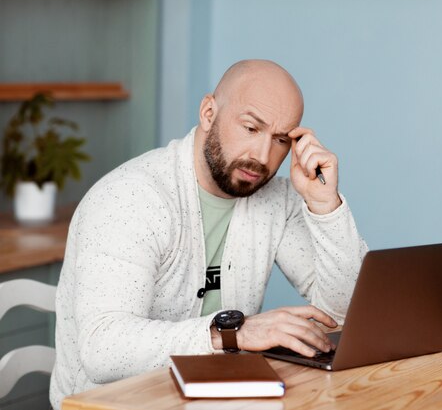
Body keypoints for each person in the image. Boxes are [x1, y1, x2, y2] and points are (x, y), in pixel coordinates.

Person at [50, 59, 368, 409]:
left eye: (279, 140)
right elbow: (103, 349)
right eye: (250, 128)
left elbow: (343, 313)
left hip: (219, 398)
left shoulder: (278, 200)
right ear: (208, 112)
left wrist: (326, 206)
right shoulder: (130, 198)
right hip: (112, 404)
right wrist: (233, 333)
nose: (262, 157)